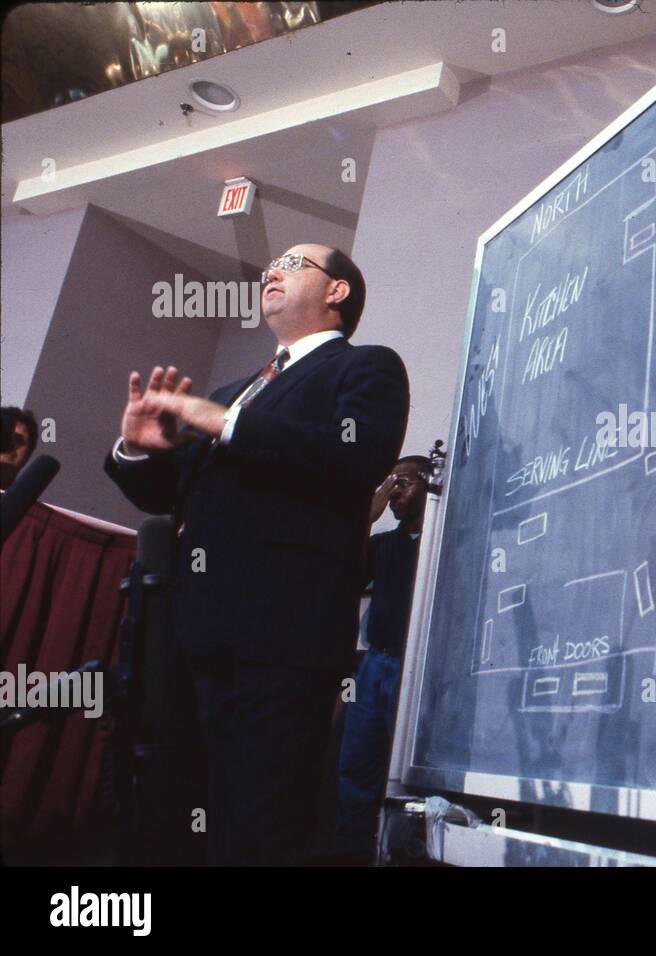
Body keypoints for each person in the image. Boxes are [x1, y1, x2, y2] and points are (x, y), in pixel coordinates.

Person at [103, 244, 409, 865]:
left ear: (337, 292)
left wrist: (223, 422)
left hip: (283, 639)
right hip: (195, 634)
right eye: (270, 264)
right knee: (177, 813)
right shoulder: (233, 391)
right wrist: (139, 449)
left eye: (293, 264)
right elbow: (171, 493)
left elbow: (353, 456)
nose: (271, 271)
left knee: (258, 827)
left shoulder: (368, 368)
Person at [334, 453, 431, 858]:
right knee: (355, 765)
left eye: (404, 482)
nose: (394, 492)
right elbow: (338, 572)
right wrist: (365, 518)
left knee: (408, 779)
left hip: (417, 669)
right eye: (389, 483)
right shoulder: (381, 545)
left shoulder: (438, 544)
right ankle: (351, 855)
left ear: (429, 486)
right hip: (375, 665)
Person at [0, 406, 39, 490]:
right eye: (2, 437)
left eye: (18, 441)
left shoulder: (28, 503)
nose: (8, 446)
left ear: (29, 453)